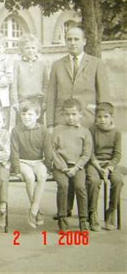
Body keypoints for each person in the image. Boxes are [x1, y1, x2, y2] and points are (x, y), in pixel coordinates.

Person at [46, 26, 110, 129]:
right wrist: (50, 125)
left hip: (89, 120)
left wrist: (103, 122)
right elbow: (51, 97)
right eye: (69, 39)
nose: (72, 42)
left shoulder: (97, 64)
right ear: (66, 42)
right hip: (62, 121)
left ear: (84, 41)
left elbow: (104, 96)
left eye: (76, 39)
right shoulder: (57, 65)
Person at [51, 98, 91, 231]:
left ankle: (83, 218)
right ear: (63, 114)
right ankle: (62, 217)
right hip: (60, 166)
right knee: (63, 185)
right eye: (67, 114)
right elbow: (53, 151)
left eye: (74, 114)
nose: (71, 117)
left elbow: (86, 154)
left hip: (77, 167)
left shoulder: (85, 132)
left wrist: (76, 168)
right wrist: (62, 167)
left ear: (80, 114)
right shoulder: (58, 130)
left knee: (80, 187)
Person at [10, 101, 51, 228]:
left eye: (30, 114)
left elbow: (48, 149)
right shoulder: (16, 130)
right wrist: (17, 169)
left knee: (42, 176)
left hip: (38, 161)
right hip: (23, 161)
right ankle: (36, 211)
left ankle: (33, 210)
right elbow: (14, 151)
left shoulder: (43, 130)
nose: (26, 117)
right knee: (30, 177)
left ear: (37, 115)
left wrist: (48, 166)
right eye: (23, 114)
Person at [86, 102, 123, 231]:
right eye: (99, 117)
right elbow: (89, 152)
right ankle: (93, 212)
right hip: (95, 163)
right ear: (95, 117)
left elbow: (117, 155)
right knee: (94, 181)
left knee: (118, 181)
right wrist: (98, 166)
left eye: (106, 117)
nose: (102, 120)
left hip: (110, 164)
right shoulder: (92, 129)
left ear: (112, 117)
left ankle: (111, 211)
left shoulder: (116, 132)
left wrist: (109, 168)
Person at [12, 34, 50, 123]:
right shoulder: (17, 64)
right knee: (22, 126)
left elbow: (46, 84)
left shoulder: (43, 64)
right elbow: (14, 84)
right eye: (27, 48)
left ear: (37, 49)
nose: (30, 50)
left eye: (33, 48)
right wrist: (15, 102)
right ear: (22, 49)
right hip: (23, 101)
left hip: (38, 101)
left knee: (37, 127)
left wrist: (45, 101)